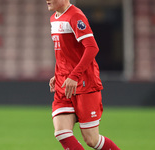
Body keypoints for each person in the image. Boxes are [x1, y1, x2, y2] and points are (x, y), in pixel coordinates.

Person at [46, 0, 121, 149]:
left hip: (83, 83)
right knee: (61, 132)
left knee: (92, 140)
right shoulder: (54, 18)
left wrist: (74, 75)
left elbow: (92, 48)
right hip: (64, 83)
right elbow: (63, 52)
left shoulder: (75, 16)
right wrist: (58, 73)